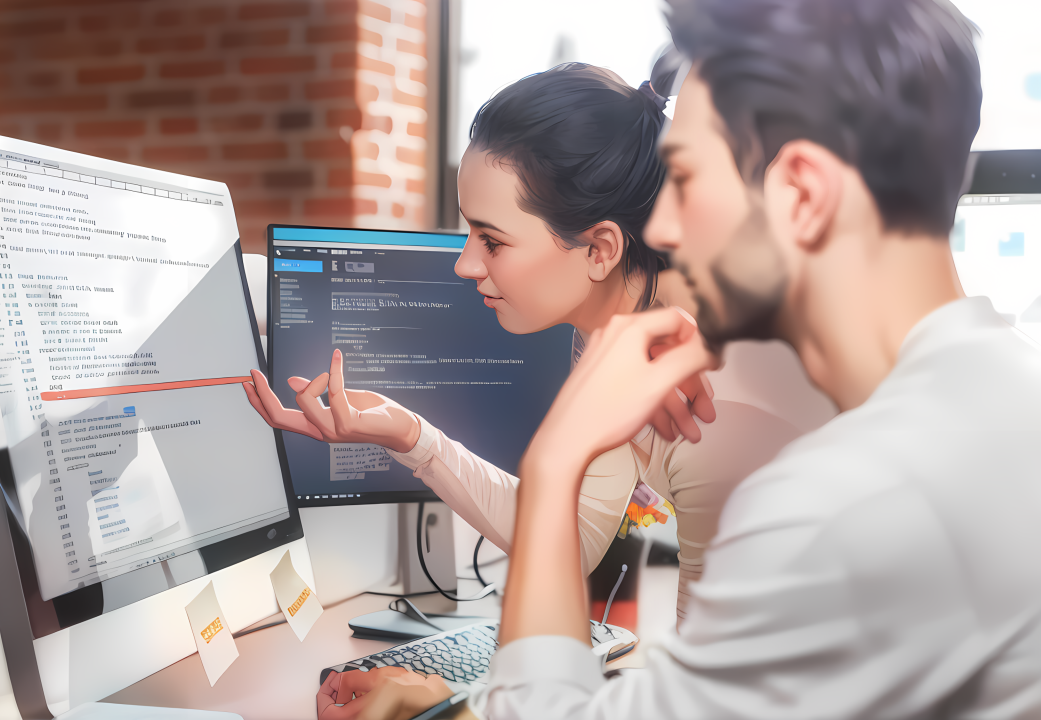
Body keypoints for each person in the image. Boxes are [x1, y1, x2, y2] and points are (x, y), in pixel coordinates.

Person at [470, 0, 1041, 718]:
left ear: (800, 193)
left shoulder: (842, 509)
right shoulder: (1006, 390)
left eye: (684, 180)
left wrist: (558, 456)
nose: (666, 225)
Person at [245, 63, 803, 628]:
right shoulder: (613, 337)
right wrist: (411, 437)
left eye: (492, 240)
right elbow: (574, 536)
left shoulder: (719, 410)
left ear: (600, 249)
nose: (465, 264)